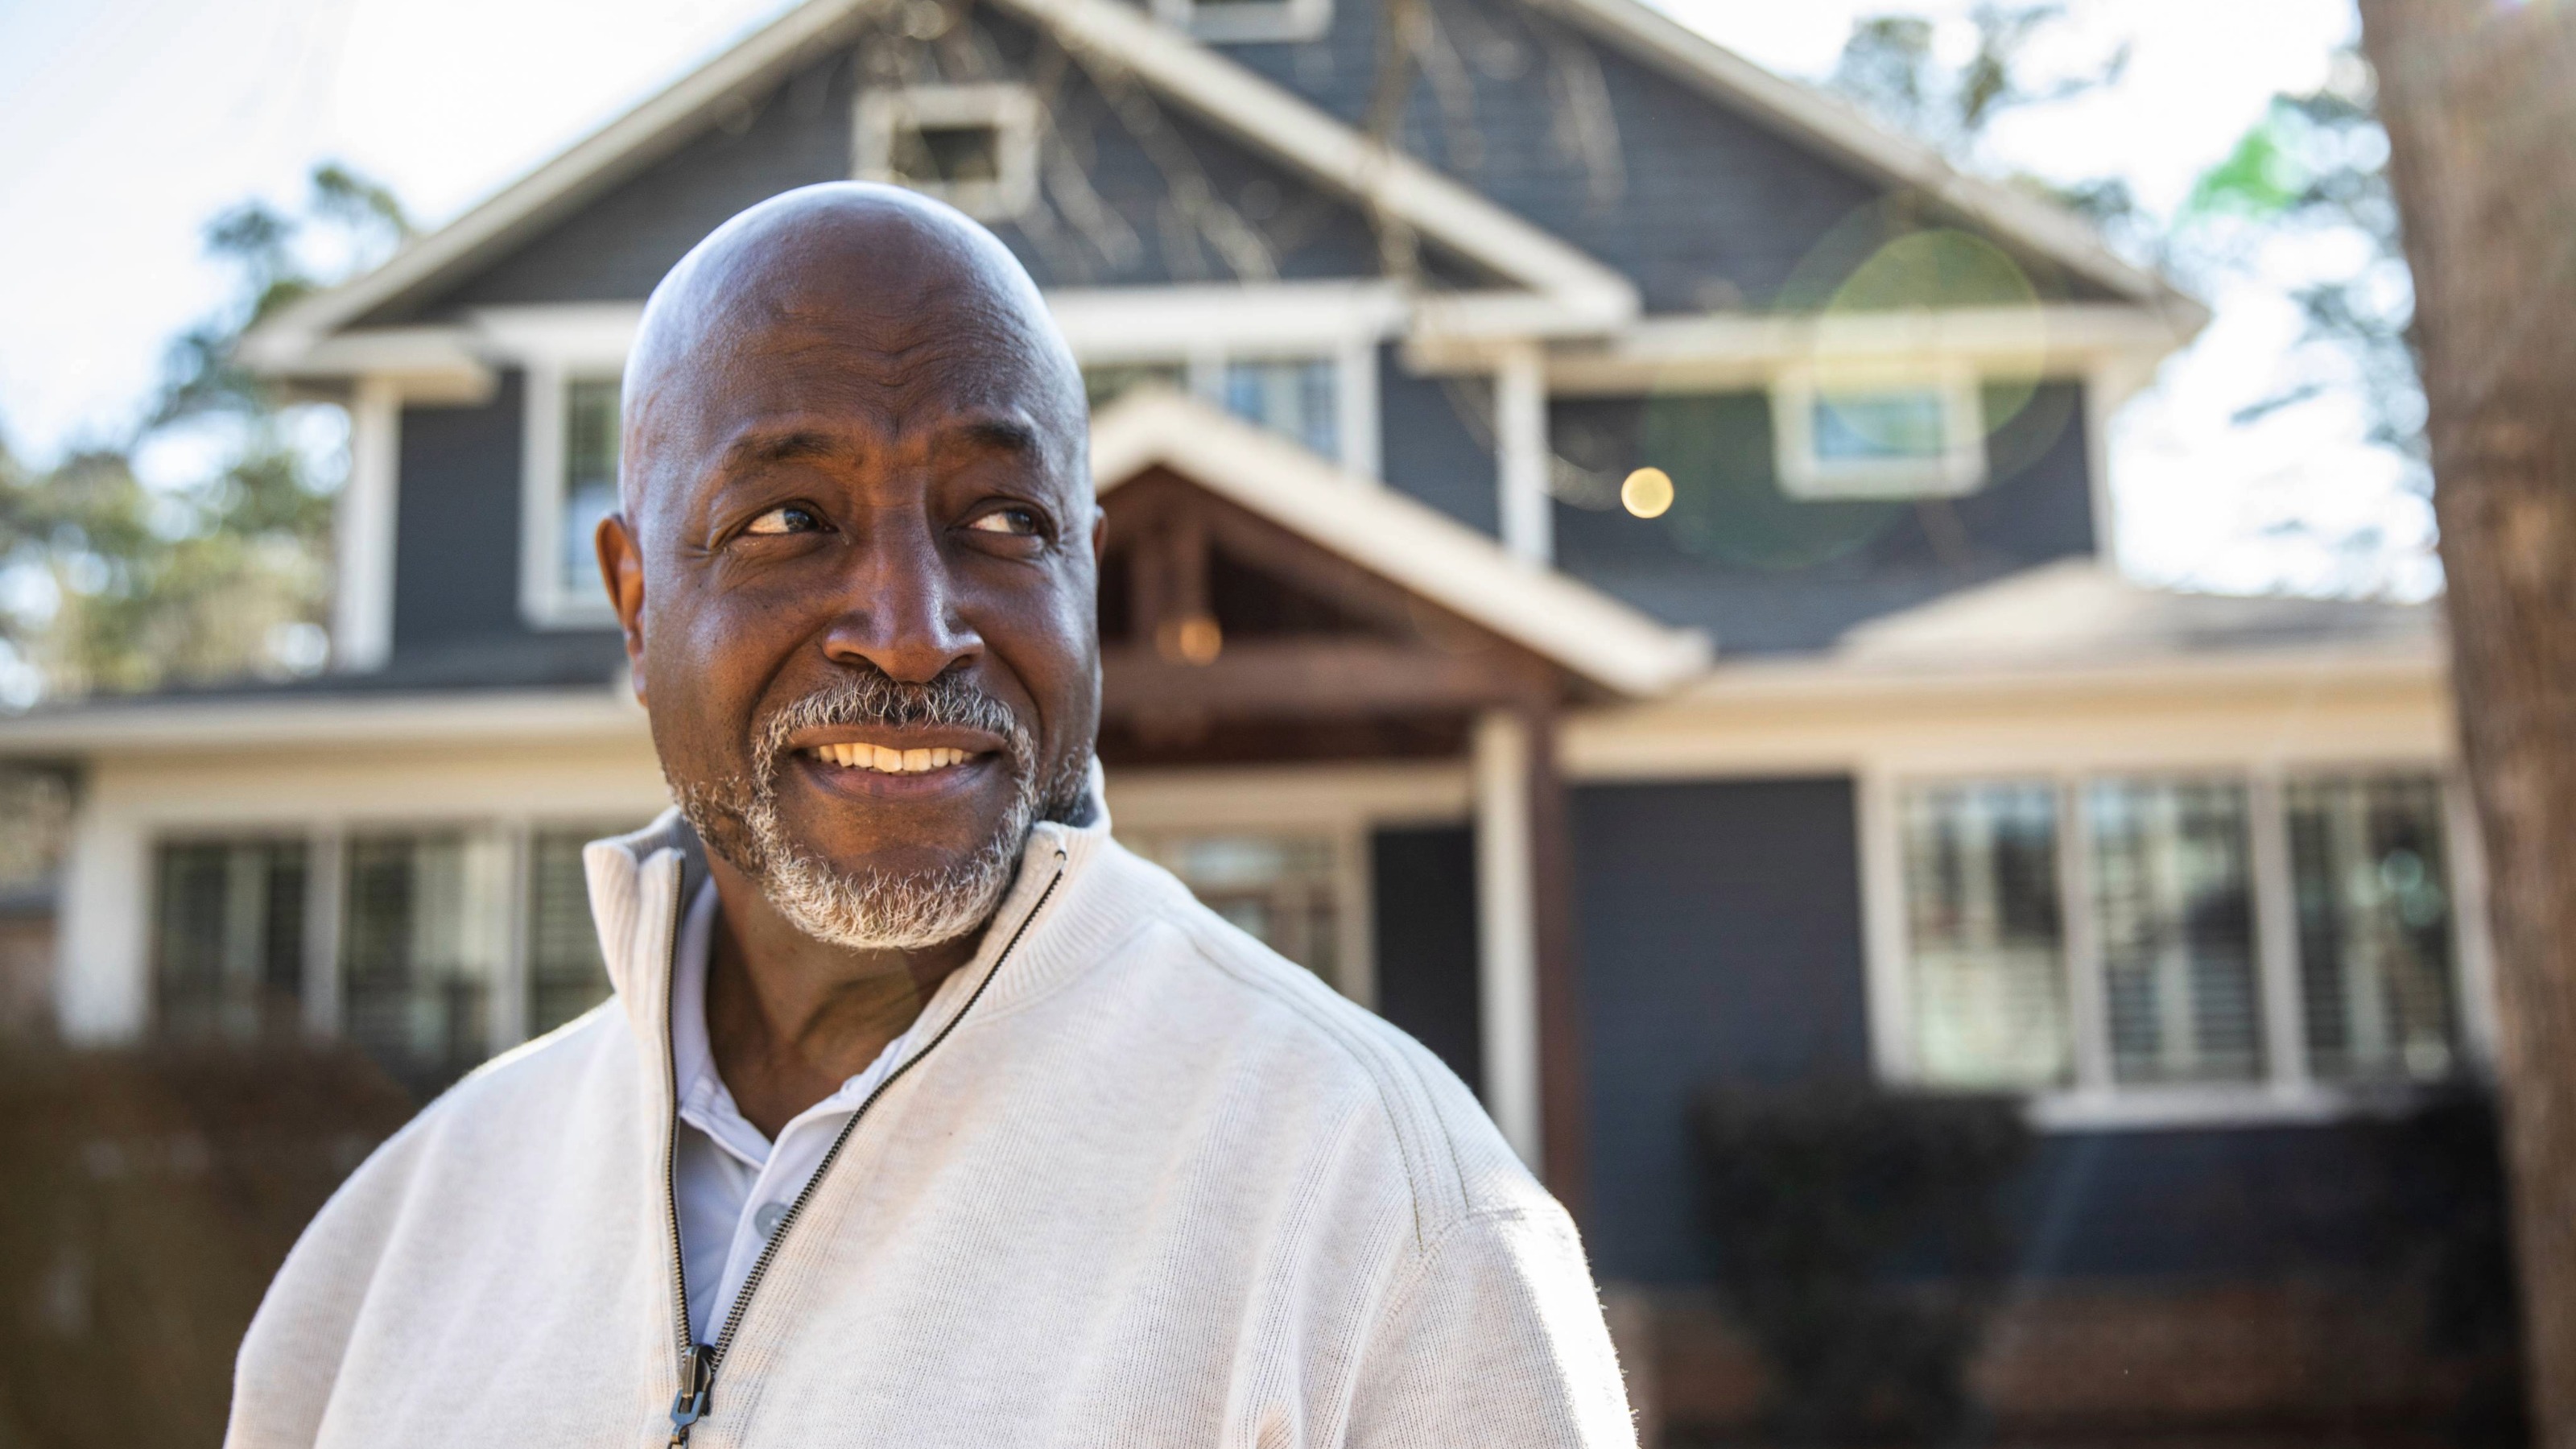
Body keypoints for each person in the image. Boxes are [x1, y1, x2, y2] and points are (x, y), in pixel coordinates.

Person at [225, 182, 1635, 1448]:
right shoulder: (393, 1254)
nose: (910, 634)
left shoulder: (1384, 1210)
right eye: (788, 520)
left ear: (1085, 573)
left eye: (1002, 521)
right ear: (635, 596)